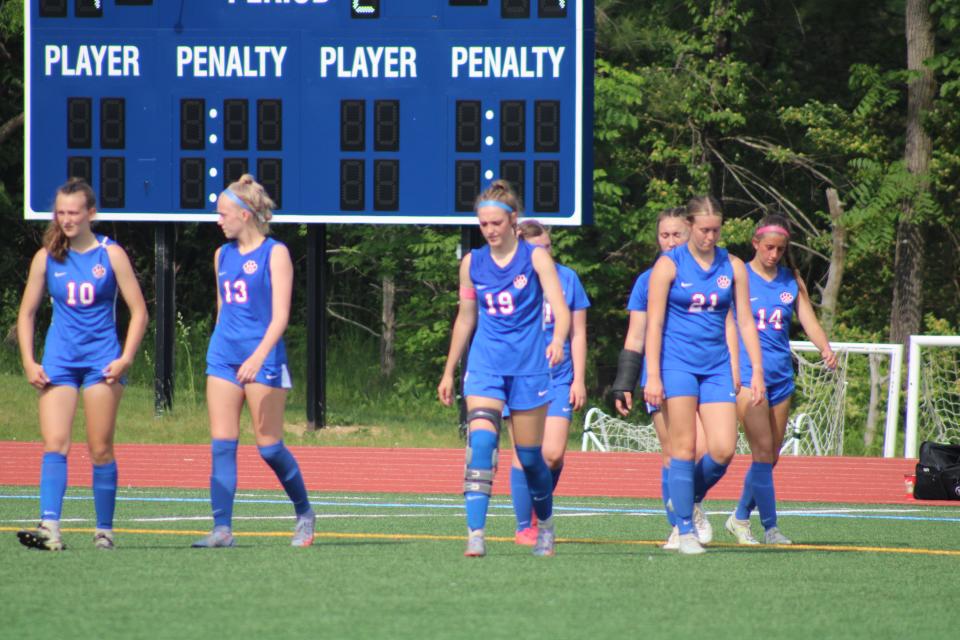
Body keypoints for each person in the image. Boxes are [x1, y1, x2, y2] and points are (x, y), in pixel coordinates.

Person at [438, 179, 571, 557]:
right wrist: (449, 370)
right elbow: (465, 318)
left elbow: (560, 309)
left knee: (531, 458)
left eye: (496, 223)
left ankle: (544, 524)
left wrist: (558, 338)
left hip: (528, 368)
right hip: (485, 366)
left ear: (513, 220)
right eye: (484, 225)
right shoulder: (472, 263)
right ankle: (475, 534)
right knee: (481, 443)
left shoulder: (535, 258)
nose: (490, 231)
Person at [16, 177, 148, 551]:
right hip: (59, 361)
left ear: (91, 213)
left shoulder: (111, 254)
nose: (66, 219)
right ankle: (49, 527)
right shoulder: (46, 258)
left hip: (101, 364)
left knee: (100, 447)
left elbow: (139, 312)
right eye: (60, 212)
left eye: (73, 212)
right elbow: (26, 315)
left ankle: (104, 529)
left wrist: (125, 358)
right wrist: (29, 361)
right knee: (55, 442)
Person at [193, 174, 315, 549]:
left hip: (262, 359)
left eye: (223, 213)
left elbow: (280, 317)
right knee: (222, 442)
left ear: (245, 214)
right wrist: (222, 351)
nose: (218, 220)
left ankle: (305, 513)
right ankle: (222, 529)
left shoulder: (275, 253)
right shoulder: (222, 255)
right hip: (224, 359)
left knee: (269, 446)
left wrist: (257, 356)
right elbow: (222, 309)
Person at [644, 195, 766, 555]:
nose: (709, 237)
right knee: (683, 447)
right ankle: (684, 530)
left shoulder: (734, 266)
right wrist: (653, 374)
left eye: (715, 230)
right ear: (691, 226)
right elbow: (654, 324)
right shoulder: (669, 265)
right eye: (703, 230)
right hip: (676, 365)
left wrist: (754, 368)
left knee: (724, 448)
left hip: (715, 366)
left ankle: (686, 500)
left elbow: (744, 319)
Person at [725, 214, 837, 545]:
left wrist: (825, 348)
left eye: (780, 249)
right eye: (768, 247)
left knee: (771, 456)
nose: (774, 255)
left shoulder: (791, 280)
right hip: (748, 377)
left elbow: (809, 321)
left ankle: (740, 517)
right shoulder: (739, 276)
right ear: (755, 244)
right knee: (761, 452)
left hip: (780, 377)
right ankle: (770, 527)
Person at [612, 207, 711, 550]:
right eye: (664, 235)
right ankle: (679, 526)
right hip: (662, 374)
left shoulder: (712, 271)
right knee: (673, 451)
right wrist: (624, 382)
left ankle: (689, 502)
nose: (670, 242)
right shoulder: (647, 280)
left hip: (707, 369)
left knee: (708, 446)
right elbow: (636, 334)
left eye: (677, 235)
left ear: (692, 234)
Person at [506, 220, 590, 545]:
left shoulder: (567, 279)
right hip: (520, 377)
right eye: (536, 249)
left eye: (547, 247)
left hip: (559, 378)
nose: (543, 254)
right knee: (523, 452)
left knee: (552, 454)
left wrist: (579, 379)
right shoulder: (513, 279)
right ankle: (524, 526)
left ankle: (538, 509)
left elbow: (578, 333)